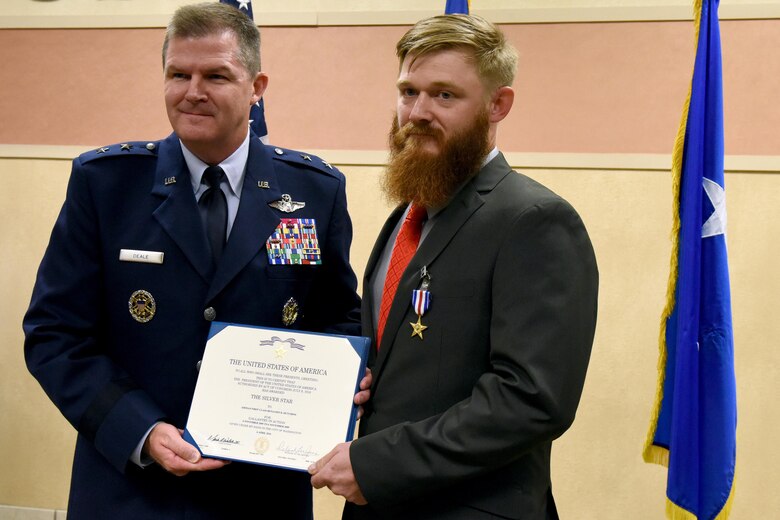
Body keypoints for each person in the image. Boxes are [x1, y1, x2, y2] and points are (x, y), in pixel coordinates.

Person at [23, 3, 366, 518]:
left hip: (261, 493)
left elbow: (336, 318)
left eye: (216, 76)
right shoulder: (107, 185)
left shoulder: (313, 191)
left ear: (256, 87)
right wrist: (139, 429)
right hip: (133, 491)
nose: (193, 92)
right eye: (178, 74)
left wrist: (342, 381)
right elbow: (55, 333)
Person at [309, 14, 598, 520]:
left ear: (498, 104)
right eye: (408, 92)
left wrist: (377, 463)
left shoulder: (535, 220)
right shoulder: (410, 214)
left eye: (445, 95)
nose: (417, 112)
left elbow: (531, 399)